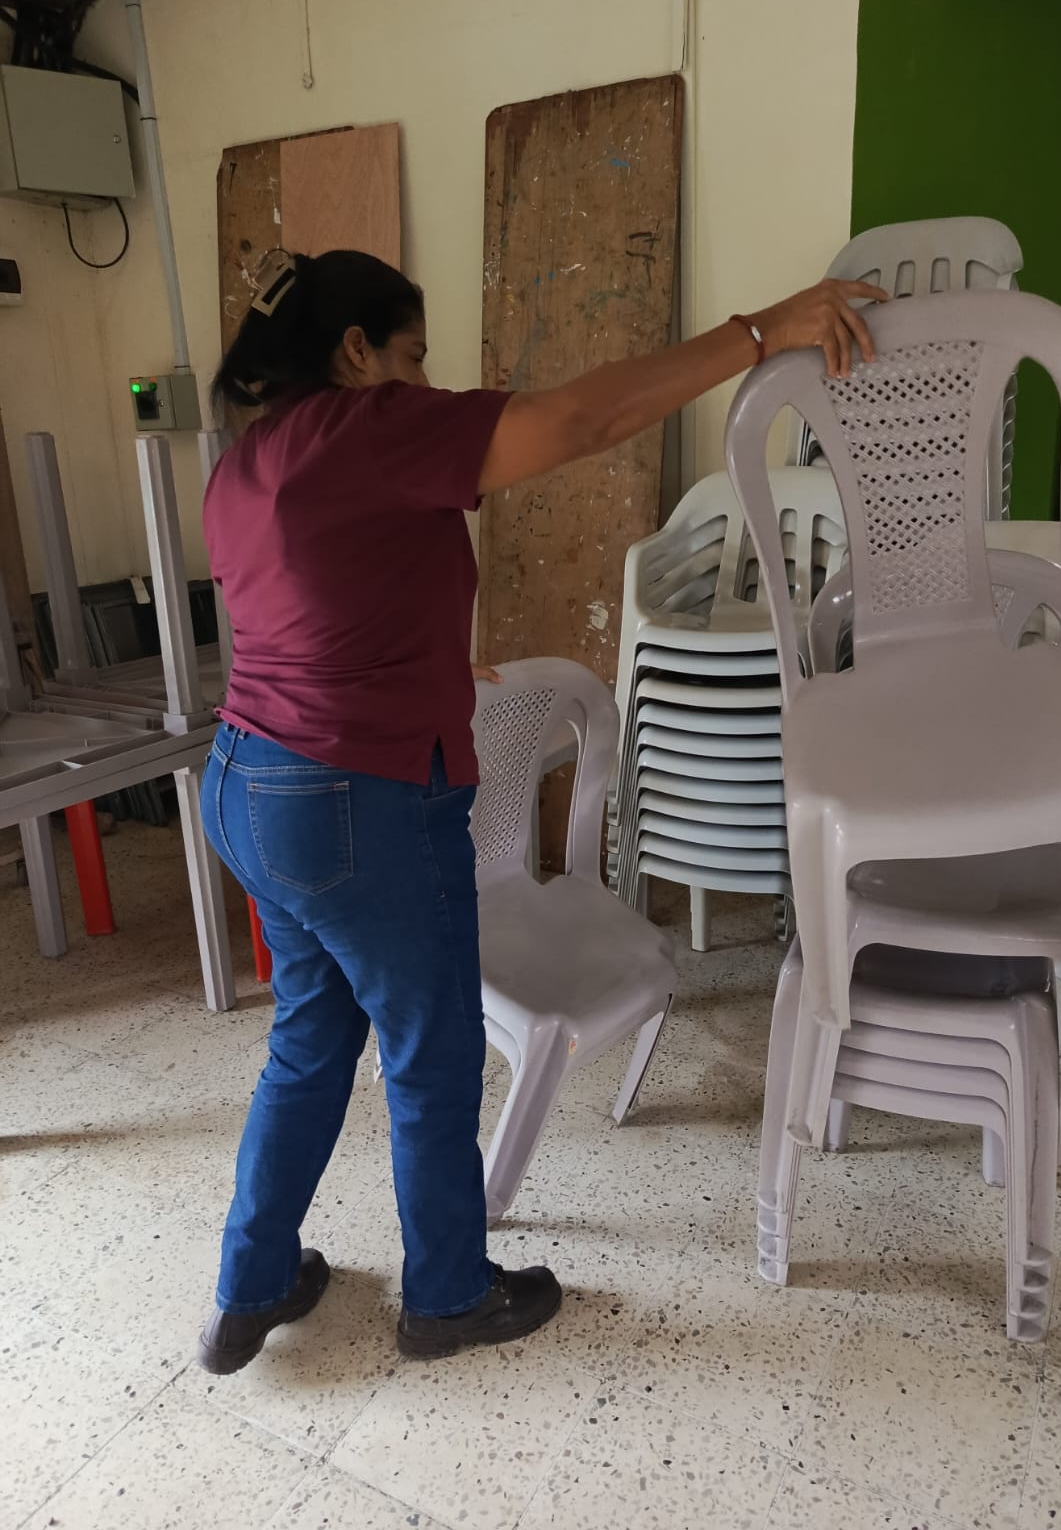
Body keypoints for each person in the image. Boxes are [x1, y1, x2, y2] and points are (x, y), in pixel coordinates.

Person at [196, 247, 885, 1374]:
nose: (425, 380)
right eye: (412, 355)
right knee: (432, 1051)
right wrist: (764, 331)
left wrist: (430, 671)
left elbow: (314, 609)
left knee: (309, 1040)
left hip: (249, 786)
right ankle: (446, 1296)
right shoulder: (368, 425)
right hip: (357, 800)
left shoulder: (245, 466)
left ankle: (251, 1283)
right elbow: (578, 420)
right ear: (356, 350)